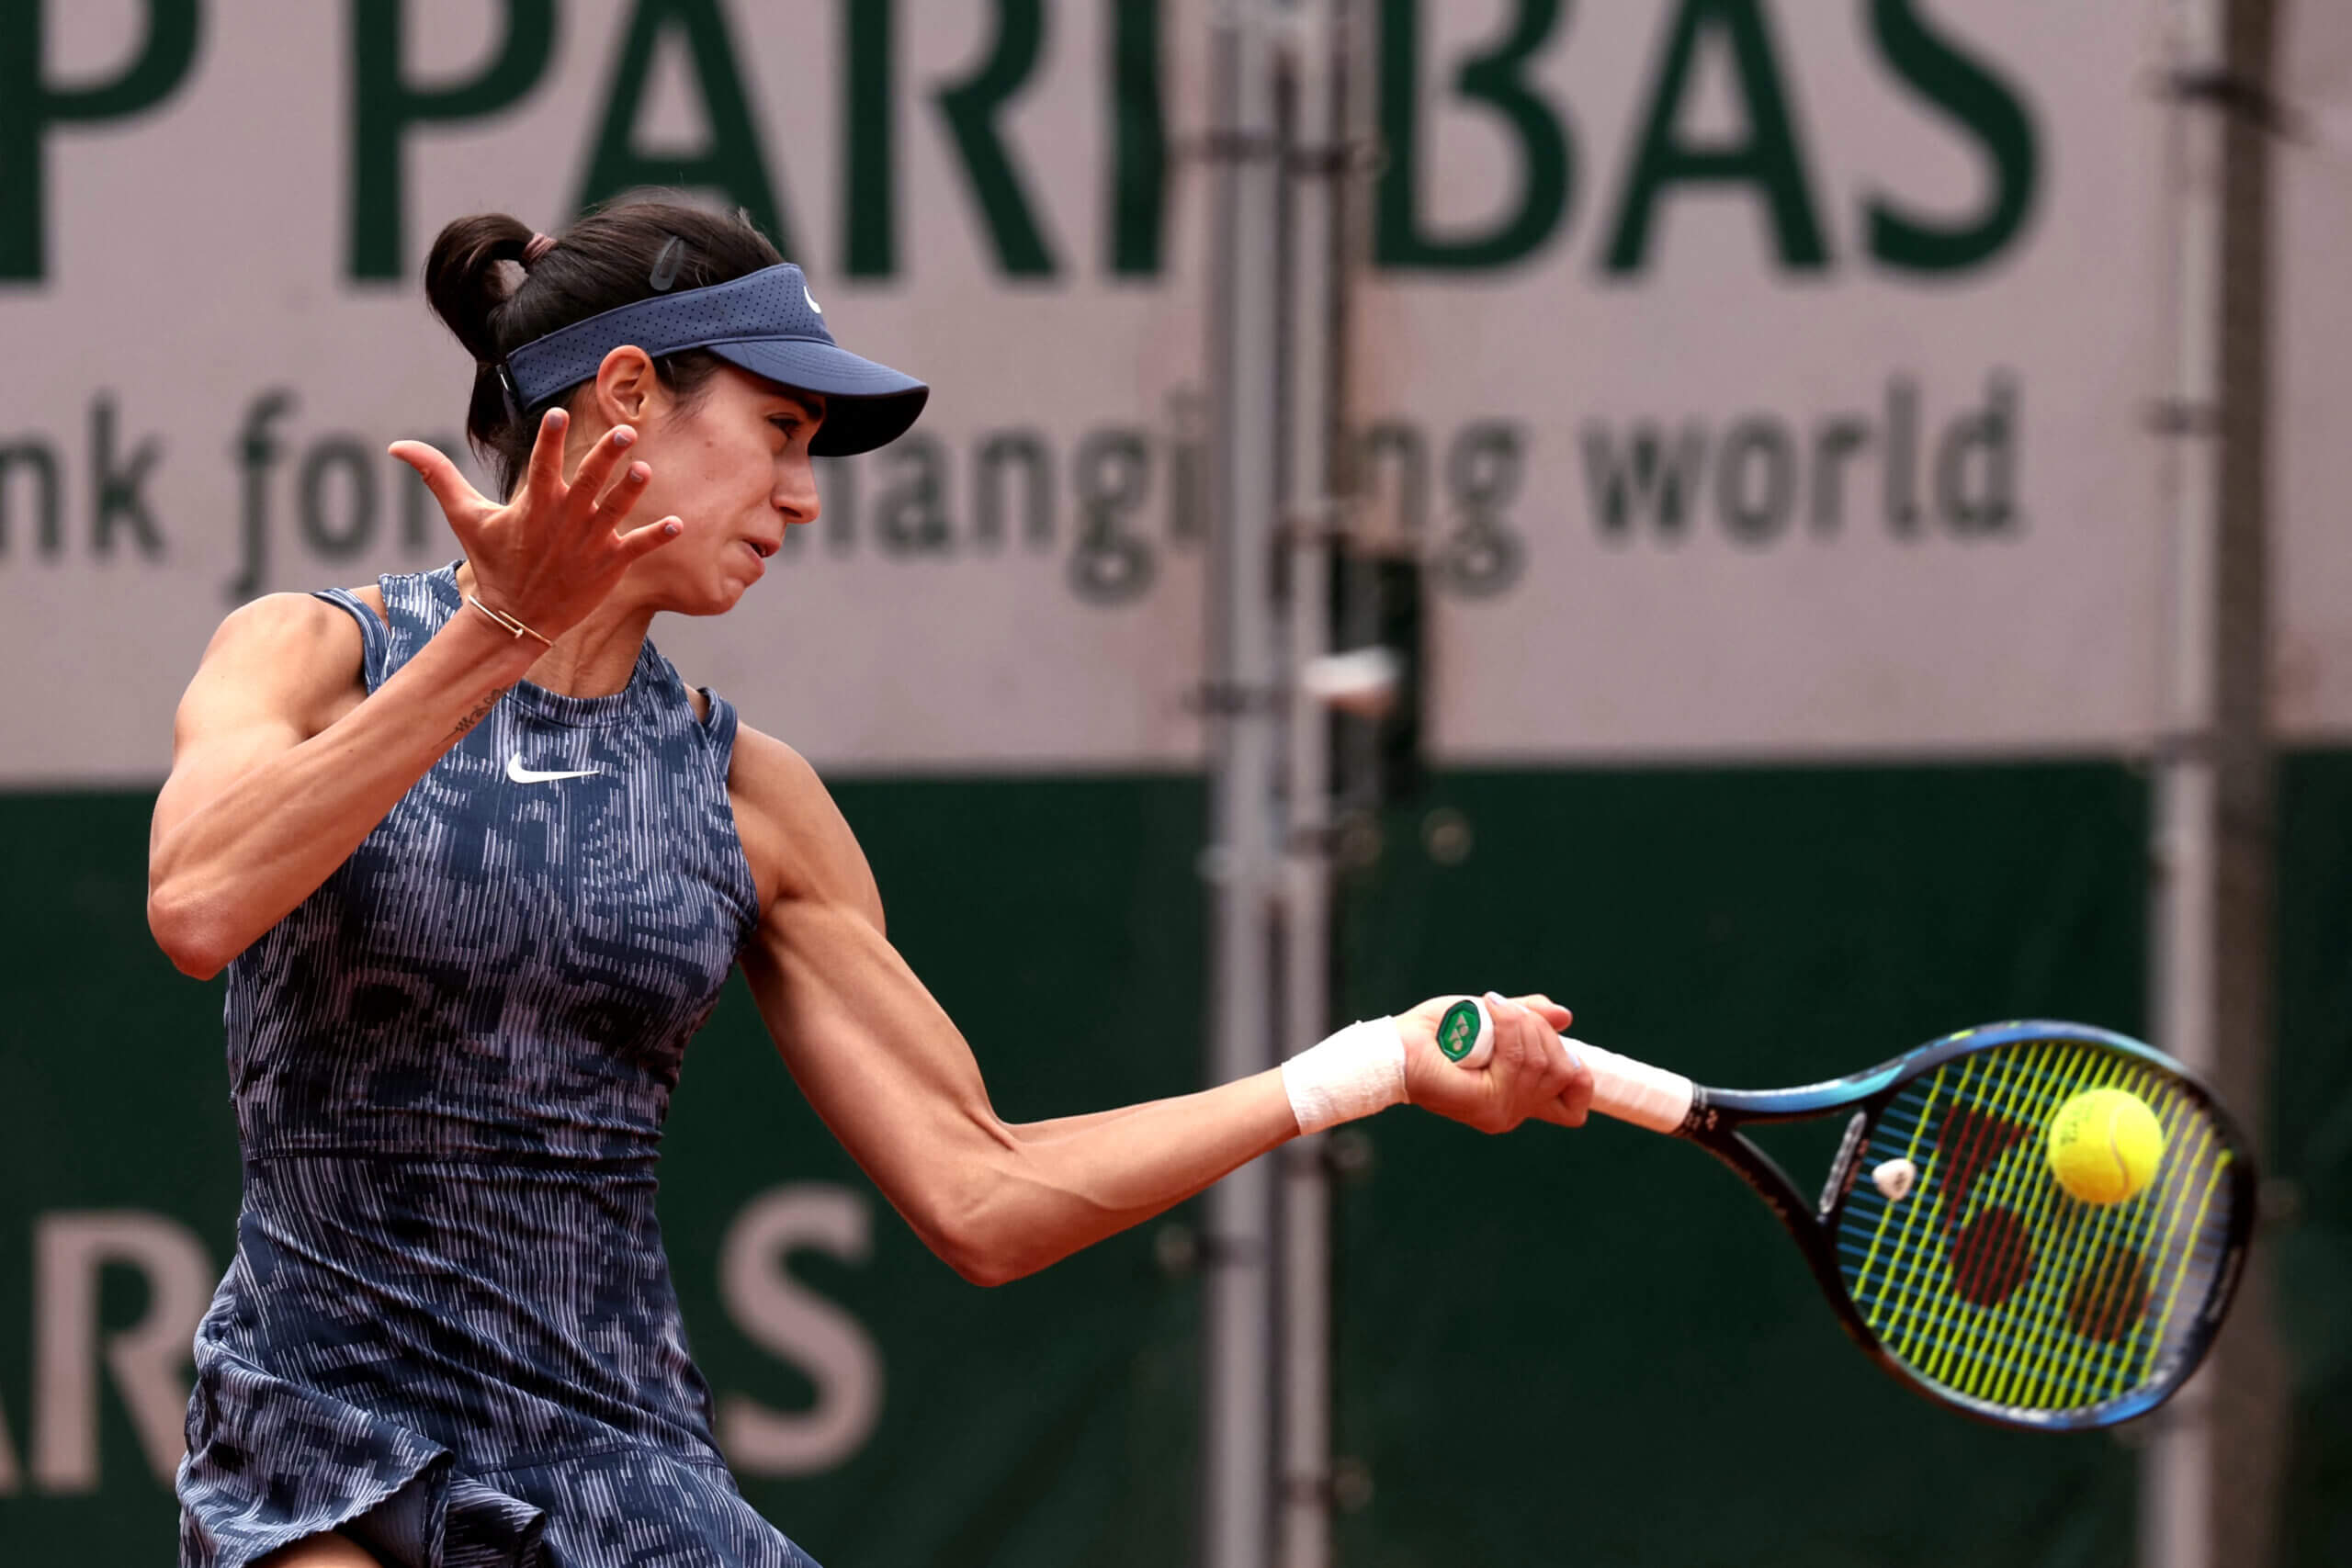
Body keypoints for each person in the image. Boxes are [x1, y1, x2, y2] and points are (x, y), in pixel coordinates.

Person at [147, 197, 1592, 1568]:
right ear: (630, 394)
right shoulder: (311, 656)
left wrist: (1368, 1066)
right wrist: (499, 634)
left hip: (618, 1484)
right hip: (321, 1454)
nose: (802, 496)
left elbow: (983, 1192)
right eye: (779, 431)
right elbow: (201, 905)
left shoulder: (750, 799)